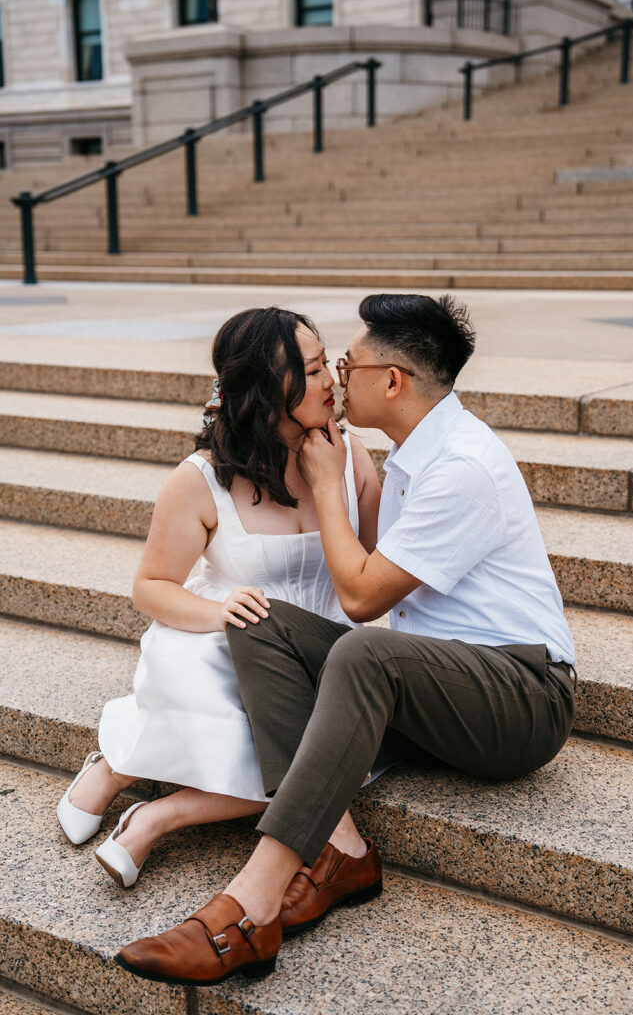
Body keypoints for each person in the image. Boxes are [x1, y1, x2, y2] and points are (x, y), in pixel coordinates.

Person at [115, 293, 577, 987]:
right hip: (439, 686)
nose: (335, 377)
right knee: (260, 617)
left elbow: (360, 600)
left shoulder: (460, 468)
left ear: (390, 380)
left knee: (363, 653)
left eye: (344, 363)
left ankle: (250, 902)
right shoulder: (413, 453)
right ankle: (342, 848)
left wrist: (328, 486)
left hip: (520, 697)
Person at [56, 305, 385, 891]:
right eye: (311, 371)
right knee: (260, 742)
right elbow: (150, 586)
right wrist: (218, 612)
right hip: (225, 635)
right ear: (266, 389)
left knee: (304, 752)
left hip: (324, 642)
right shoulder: (201, 479)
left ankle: (154, 813)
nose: (331, 381)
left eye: (323, 364)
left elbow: (370, 569)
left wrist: (330, 481)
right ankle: (118, 763)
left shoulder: (350, 455)